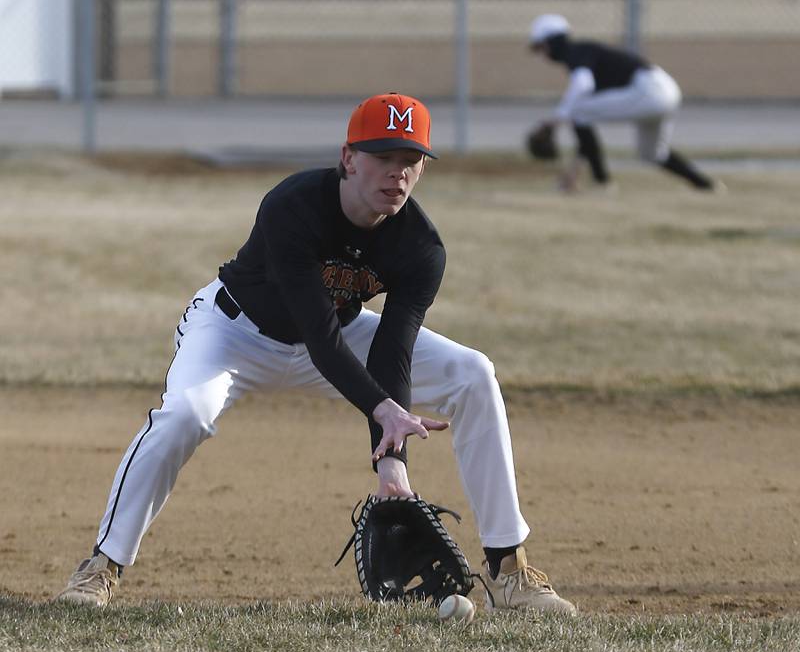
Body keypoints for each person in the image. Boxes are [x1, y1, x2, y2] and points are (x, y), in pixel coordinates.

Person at [55, 92, 576, 616]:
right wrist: (380, 411)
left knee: (473, 373)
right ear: (349, 158)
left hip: (341, 335)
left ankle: (510, 571)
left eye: (410, 160)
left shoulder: (421, 248)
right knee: (184, 416)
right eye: (383, 158)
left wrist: (392, 466)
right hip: (235, 331)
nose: (397, 174)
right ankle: (102, 565)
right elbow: (317, 333)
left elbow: (393, 350)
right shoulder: (294, 205)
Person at [529, 13, 721, 193]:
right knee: (651, 154)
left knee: (579, 112)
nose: (541, 54)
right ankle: (706, 185)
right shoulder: (581, 52)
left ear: (552, 42)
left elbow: (583, 84)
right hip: (665, 88)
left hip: (649, 90)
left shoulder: (576, 52)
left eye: (540, 47)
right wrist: (573, 171)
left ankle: (602, 183)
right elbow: (584, 130)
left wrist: (558, 118)